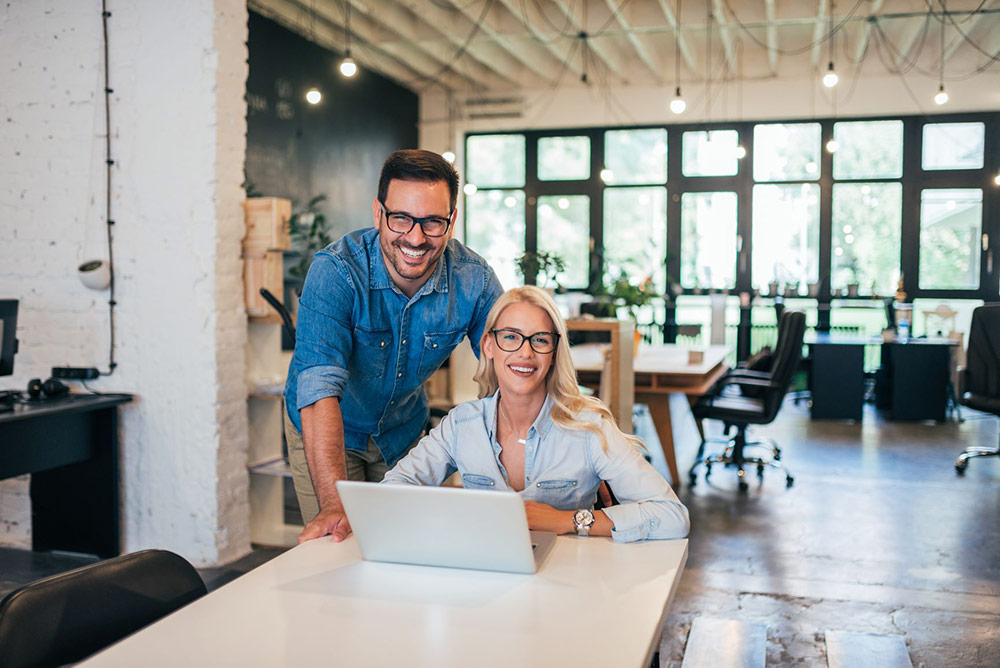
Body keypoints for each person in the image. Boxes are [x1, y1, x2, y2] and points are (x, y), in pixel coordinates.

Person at [285, 149, 503, 543]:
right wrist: (336, 503)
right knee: (343, 549)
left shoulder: (474, 280)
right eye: (400, 218)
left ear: (451, 221)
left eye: (433, 222)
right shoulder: (336, 272)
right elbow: (318, 391)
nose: (415, 238)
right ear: (378, 214)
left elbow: (513, 365)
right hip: (331, 427)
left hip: (403, 431)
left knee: (408, 547)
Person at [383, 286, 690, 542]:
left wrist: (568, 520)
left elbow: (673, 516)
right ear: (489, 345)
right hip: (485, 582)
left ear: (554, 353)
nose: (525, 352)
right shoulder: (462, 425)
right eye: (511, 337)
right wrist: (459, 513)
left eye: (540, 340)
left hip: (567, 583)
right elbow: (392, 491)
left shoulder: (589, 428)